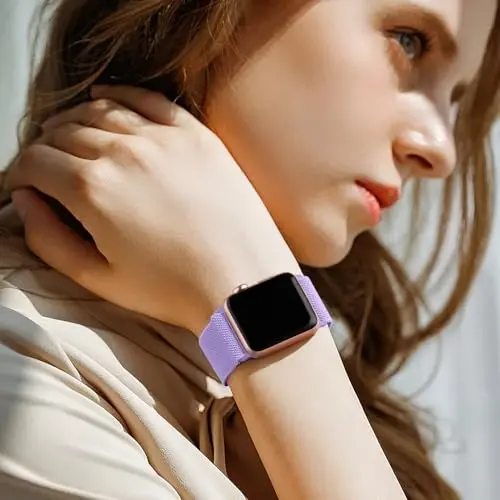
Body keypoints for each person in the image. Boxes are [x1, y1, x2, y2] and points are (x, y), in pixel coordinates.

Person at [0, 0, 498, 498]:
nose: (441, 150)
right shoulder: (25, 374)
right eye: (409, 41)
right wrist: (263, 306)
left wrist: (247, 289)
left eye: (455, 96)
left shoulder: (349, 395)